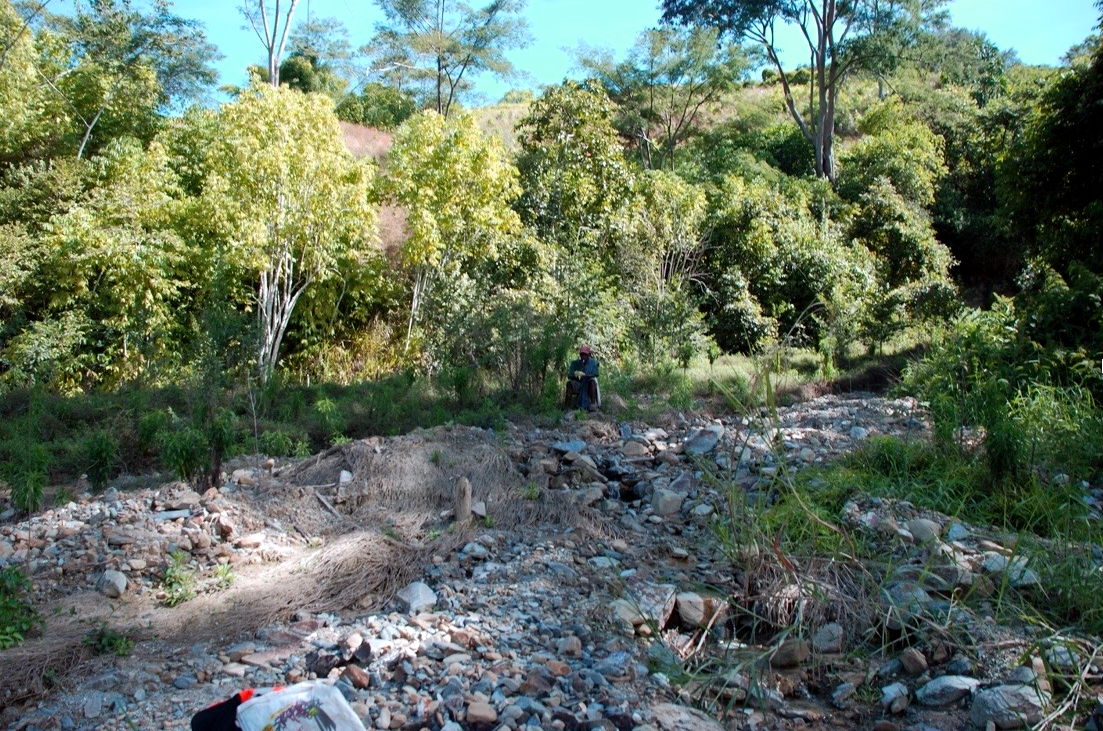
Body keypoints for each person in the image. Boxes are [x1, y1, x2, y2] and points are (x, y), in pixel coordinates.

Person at [565, 345, 600, 410]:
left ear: (589, 355)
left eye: (585, 355)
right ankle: (567, 406)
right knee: (569, 384)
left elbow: (595, 374)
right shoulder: (575, 363)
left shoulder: (594, 363)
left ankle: (593, 404)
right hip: (578, 383)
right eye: (582, 355)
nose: (583, 356)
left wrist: (585, 375)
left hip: (588, 383)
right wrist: (576, 375)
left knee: (592, 382)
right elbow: (569, 375)